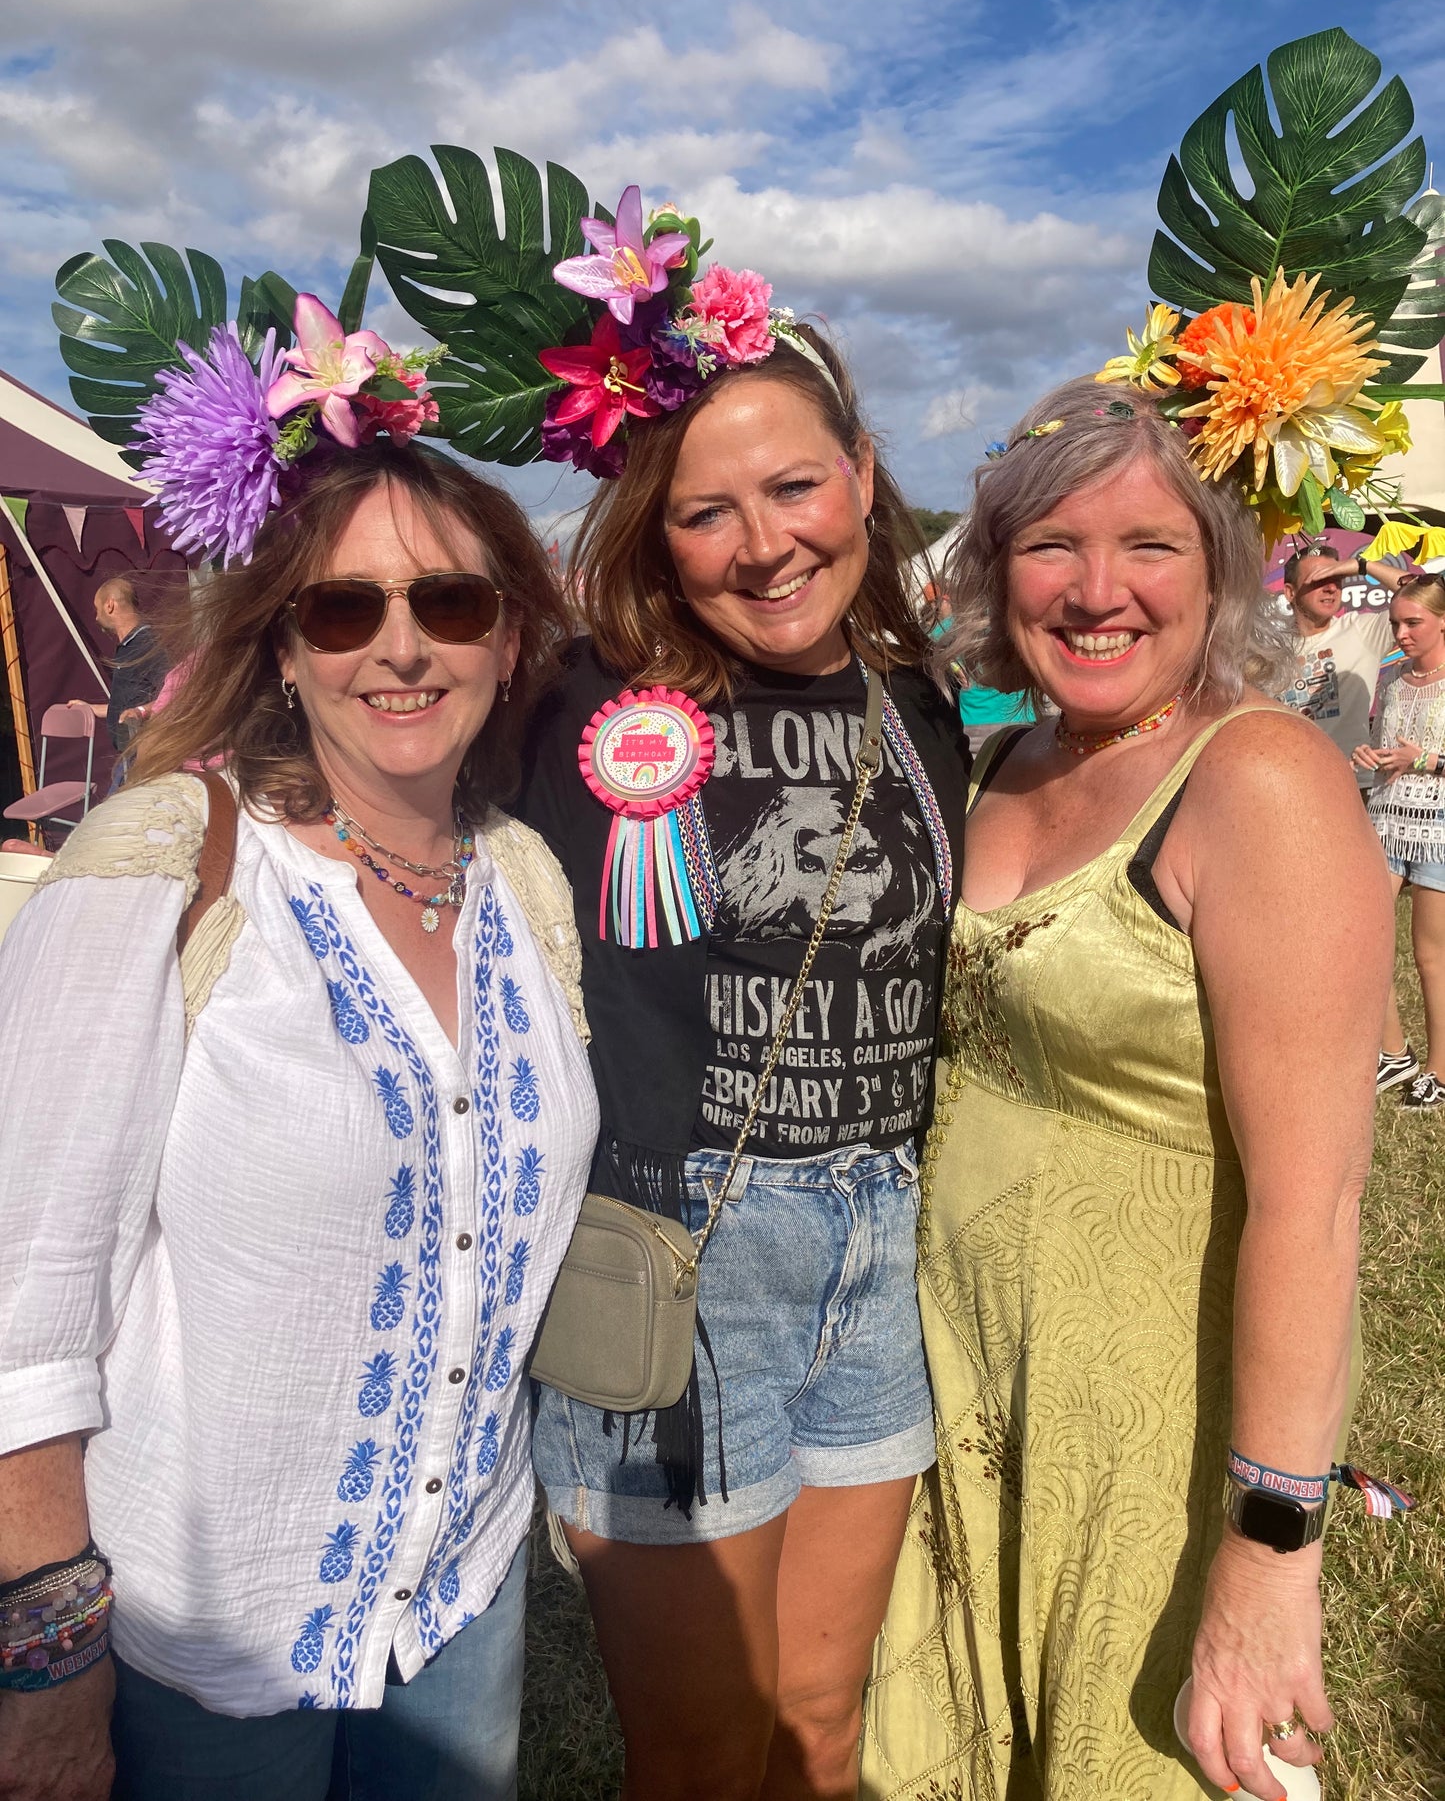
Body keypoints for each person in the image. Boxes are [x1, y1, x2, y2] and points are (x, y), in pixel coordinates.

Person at [0, 343, 598, 1797]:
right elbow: (19, 1310)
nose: (401, 646)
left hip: (461, 1596)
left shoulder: (523, 883)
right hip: (201, 1628)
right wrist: (46, 1662)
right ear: (282, 643)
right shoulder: (169, 862)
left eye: (448, 601)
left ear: (508, 636)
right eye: (344, 606)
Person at [861, 378, 1392, 1801]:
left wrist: (1269, 1549)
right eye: (1052, 544)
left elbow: (1313, 1204)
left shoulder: (1257, 777)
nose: (1098, 590)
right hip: (960, 1390)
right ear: (992, 564)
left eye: (1150, 543)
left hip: (1148, 1433)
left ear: (1220, 561)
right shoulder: (984, 766)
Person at [513, 198, 970, 1798]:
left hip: (879, 1245)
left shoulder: (922, 706)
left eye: (794, 486)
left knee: (819, 1730)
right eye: (706, 511)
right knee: (705, 1758)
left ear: (861, 478)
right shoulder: (575, 696)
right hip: (679, 1249)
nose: (763, 540)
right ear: (654, 530)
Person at [1352, 572, 1445, 1108]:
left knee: (1431, 957)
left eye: (1413, 623)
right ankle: (1394, 1052)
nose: (1402, 633)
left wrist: (1427, 760)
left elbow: (1423, 755)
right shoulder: (1392, 680)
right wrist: (1369, 758)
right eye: (1396, 624)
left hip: (1437, 830)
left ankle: (1440, 1066)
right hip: (1385, 822)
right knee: (1367, 940)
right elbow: (1380, 744)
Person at [1278, 544, 1407, 786]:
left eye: (1337, 578)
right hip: (1290, 785)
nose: (1330, 587)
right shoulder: (1269, 648)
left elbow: (1429, 596)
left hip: (1354, 784)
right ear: (1289, 592)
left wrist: (1361, 565)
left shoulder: (1362, 630)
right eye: (1318, 579)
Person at [69, 576, 171, 776]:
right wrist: (91, 709)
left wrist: (140, 711)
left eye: (96, 609)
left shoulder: (146, 644)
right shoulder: (128, 646)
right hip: (130, 757)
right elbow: (129, 705)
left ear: (109, 605)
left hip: (146, 758)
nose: (96, 617)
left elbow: (175, 694)